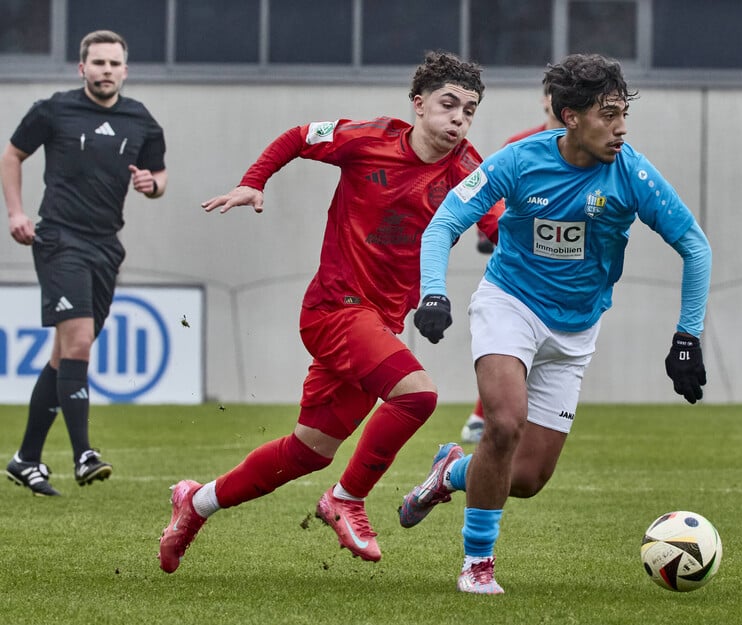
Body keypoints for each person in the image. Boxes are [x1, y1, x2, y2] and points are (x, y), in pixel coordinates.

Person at [158, 51, 502, 573]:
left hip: (380, 326)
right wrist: (255, 180)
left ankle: (196, 502)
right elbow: (299, 136)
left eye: (469, 110)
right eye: (448, 104)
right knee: (419, 396)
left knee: (307, 451)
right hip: (334, 309)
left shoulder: (467, 168)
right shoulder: (369, 139)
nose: (458, 118)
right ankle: (345, 498)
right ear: (418, 105)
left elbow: (499, 221)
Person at [402, 53, 712, 594]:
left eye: (623, 115)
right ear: (570, 116)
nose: (620, 128)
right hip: (510, 305)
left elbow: (695, 247)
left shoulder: (633, 173)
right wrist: (433, 293)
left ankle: (450, 472)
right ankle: (478, 564)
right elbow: (444, 221)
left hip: (574, 333)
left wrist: (687, 337)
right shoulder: (519, 160)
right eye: (607, 114)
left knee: (525, 478)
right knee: (503, 423)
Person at [2, 30, 167, 497]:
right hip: (58, 239)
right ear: (82, 68)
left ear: (125, 70)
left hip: (105, 246)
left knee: (64, 355)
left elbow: (159, 176)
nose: (106, 70)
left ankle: (25, 459)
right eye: (98, 63)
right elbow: (12, 155)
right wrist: (16, 212)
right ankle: (83, 454)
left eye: (114, 63)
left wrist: (151, 186)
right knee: (78, 341)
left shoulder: (141, 120)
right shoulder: (53, 109)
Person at [464, 88, 562, 444]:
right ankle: (482, 416)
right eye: (554, 93)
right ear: (545, 98)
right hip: (516, 262)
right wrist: (491, 232)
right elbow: (487, 192)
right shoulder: (519, 145)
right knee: (507, 339)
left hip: (558, 273)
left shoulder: (590, 152)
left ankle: (506, 417)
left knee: (541, 346)